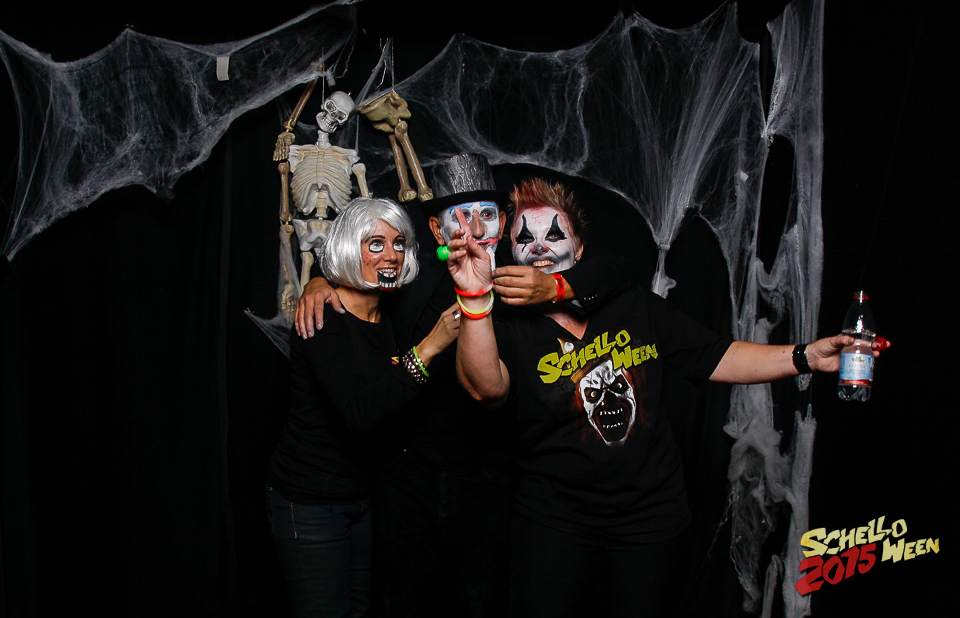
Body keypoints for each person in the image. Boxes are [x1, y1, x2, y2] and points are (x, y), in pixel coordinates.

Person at [446, 178, 889, 618]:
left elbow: (717, 356)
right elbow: (486, 390)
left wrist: (807, 356)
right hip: (554, 521)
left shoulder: (632, 305)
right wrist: (474, 296)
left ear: (579, 250)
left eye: (554, 234)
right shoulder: (505, 325)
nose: (540, 246)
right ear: (511, 252)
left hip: (650, 520)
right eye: (525, 238)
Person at [293, 154, 642, 618]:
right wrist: (320, 279)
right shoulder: (411, 280)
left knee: (480, 601)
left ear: (504, 224)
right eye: (461, 217)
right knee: (401, 601)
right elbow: (361, 265)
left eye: (488, 215)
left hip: (489, 477)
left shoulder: (526, 276)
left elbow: (624, 267)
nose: (476, 229)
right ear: (437, 232)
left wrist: (556, 287)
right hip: (406, 478)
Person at [266, 196, 460, 618]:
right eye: (375, 243)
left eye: (398, 243)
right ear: (348, 248)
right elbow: (360, 413)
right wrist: (429, 347)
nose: (391, 254)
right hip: (311, 503)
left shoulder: (389, 312)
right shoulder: (322, 319)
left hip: (363, 498)